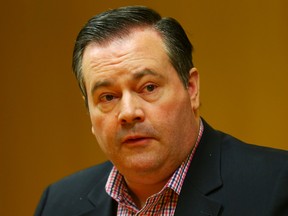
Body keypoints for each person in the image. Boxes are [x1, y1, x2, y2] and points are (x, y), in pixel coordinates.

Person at [35, 5, 288, 216]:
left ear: (191, 89)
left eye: (148, 87)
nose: (128, 112)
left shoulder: (277, 185)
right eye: (108, 96)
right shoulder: (58, 204)